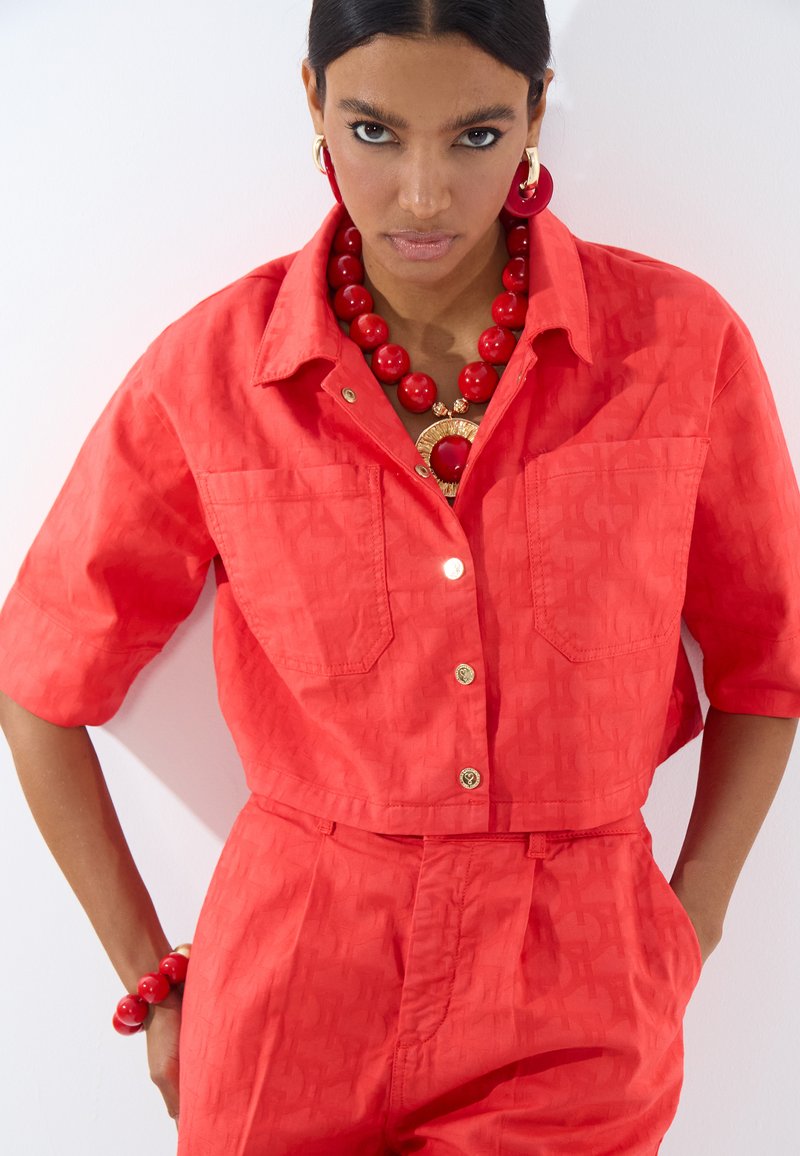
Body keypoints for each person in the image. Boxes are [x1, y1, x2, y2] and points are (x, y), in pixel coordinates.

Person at [1, 0, 799, 1151]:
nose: (422, 196)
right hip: (291, 987)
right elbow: (39, 676)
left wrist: (693, 920)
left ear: (533, 113)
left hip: (574, 1002)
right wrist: (149, 976)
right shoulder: (214, 374)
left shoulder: (677, 349)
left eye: (474, 135)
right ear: (315, 103)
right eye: (374, 132)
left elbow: (769, 662)